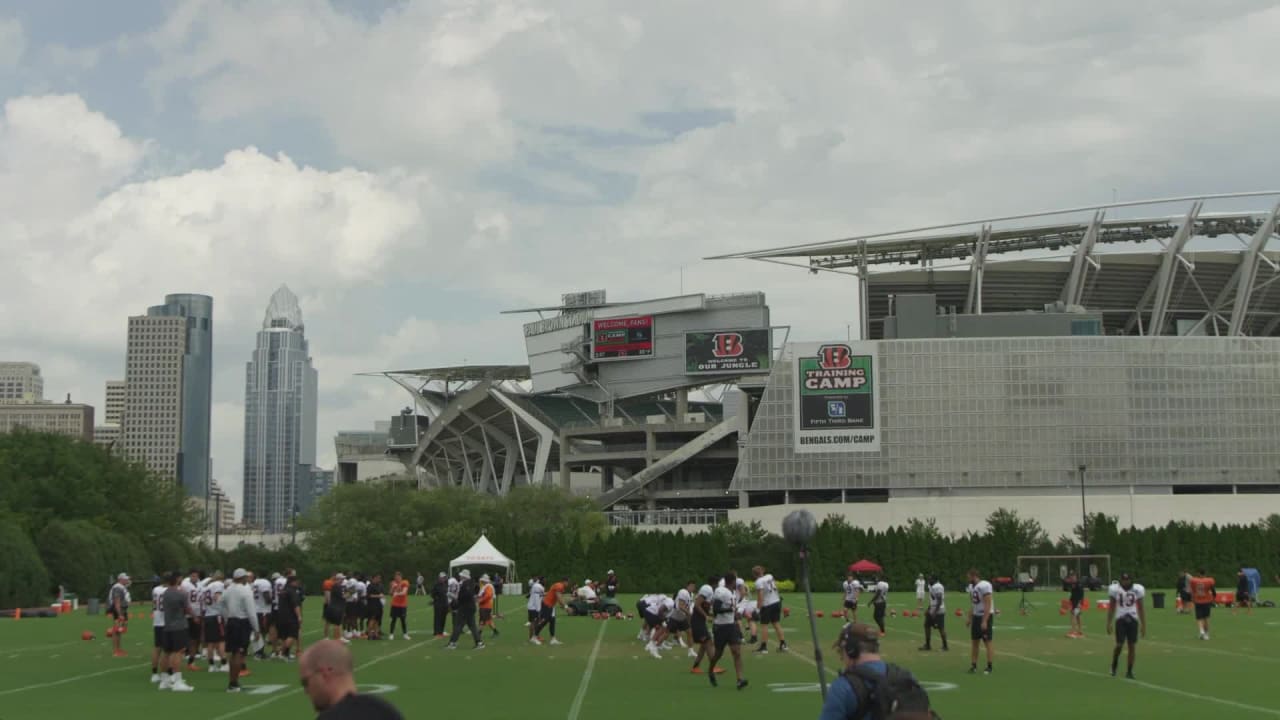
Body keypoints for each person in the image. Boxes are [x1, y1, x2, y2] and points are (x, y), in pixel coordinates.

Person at [817, 623, 934, 720]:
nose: (841, 657)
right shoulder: (907, 677)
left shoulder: (843, 687)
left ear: (850, 650)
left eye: (841, 651)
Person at [300, 639, 404, 719]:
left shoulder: (330, 718)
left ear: (325, 674)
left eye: (305, 682)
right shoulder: (386, 711)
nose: (306, 690)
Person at [706, 572, 748, 690]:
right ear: (733, 581)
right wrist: (730, 609)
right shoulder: (721, 591)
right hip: (720, 627)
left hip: (731, 626)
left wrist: (736, 615)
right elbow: (716, 609)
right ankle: (710, 670)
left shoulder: (732, 593)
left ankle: (740, 679)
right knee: (718, 654)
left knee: (737, 652)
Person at [222, 568, 261, 693]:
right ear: (243, 578)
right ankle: (233, 683)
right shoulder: (245, 590)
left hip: (231, 622)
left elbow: (220, 603)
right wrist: (256, 628)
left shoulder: (228, 589)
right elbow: (251, 612)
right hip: (242, 622)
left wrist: (226, 617)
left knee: (233, 653)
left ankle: (232, 682)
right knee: (239, 653)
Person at [158, 571, 195, 693]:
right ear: (177, 580)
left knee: (166, 653)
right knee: (178, 652)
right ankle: (177, 681)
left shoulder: (165, 593)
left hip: (167, 625)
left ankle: (164, 680)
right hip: (179, 626)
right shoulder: (181, 594)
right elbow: (187, 608)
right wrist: (195, 616)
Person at [1106, 572, 1146, 679]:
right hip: (1120, 619)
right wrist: (1109, 623)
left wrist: (1143, 625)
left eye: (1127, 579)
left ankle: (1129, 671)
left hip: (1133, 619)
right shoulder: (1115, 590)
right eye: (1123, 580)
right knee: (1119, 644)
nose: (1125, 582)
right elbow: (1111, 607)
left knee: (1132, 646)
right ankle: (1114, 664)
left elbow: (1141, 608)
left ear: (1131, 580)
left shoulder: (1138, 589)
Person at [966, 568, 995, 675]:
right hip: (976, 616)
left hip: (984, 615)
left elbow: (988, 603)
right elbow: (973, 604)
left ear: (974, 576)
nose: (968, 579)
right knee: (975, 642)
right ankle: (973, 665)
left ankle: (989, 666)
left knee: (987, 641)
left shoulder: (985, 585)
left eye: (969, 576)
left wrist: (985, 621)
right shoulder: (971, 587)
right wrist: (969, 617)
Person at [448, 569, 485, 650]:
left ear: (464, 576)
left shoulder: (465, 584)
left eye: (461, 575)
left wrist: (454, 597)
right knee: (472, 626)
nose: (460, 576)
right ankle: (479, 643)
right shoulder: (470, 583)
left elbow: (464, 597)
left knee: (458, 625)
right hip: (470, 607)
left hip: (465, 608)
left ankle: (452, 643)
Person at [753, 565, 787, 654]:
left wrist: (757, 609)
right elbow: (775, 587)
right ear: (762, 571)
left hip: (767, 605)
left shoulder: (758, 582)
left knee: (764, 625)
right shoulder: (769, 576)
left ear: (754, 574)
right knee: (776, 623)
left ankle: (764, 647)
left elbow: (760, 596)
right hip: (776, 601)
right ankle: (783, 644)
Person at [201, 571, 227, 672]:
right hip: (217, 616)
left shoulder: (207, 586)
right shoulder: (218, 585)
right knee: (221, 641)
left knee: (210, 643)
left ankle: (211, 665)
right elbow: (218, 597)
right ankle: (224, 663)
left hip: (208, 615)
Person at [534, 576, 568, 646]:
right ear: (565, 581)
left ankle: (552, 639)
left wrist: (563, 605)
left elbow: (558, 597)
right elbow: (559, 597)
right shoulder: (560, 586)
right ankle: (534, 636)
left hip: (550, 605)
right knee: (544, 621)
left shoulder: (559, 585)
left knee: (552, 620)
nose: (568, 584)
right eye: (568, 582)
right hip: (547, 605)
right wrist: (566, 607)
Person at [276, 574, 303, 661]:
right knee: (292, 635)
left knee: (285, 636)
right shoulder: (292, 591)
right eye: (296, 582)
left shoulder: (283, 591)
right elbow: (295, 605)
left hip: (281, 616)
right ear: (293, 582)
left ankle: (286, 654)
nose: (297, 583)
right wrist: (299, 616)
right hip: (290, 617)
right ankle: (281, 653)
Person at [182, 569, 204, 670]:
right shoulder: (185, 585)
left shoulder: (200, 585)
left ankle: (191, 659)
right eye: (193, 576)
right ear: (190, 576)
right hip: (188, 615)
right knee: (188, 637)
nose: (194, 577)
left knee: (196, 638)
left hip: (198, 613)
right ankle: (187, 653)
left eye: (196, 576)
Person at [919, 575, 948, 652]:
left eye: (930, 580)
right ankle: (928, 645)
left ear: (935, 580)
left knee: (941, 628)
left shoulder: (938, 586)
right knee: (926, 625)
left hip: (939, 610)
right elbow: (933, 600)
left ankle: (945, 646)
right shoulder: (932, 586)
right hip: (932, 609)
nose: (929, 581)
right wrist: (928, 609)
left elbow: (939, 601)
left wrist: (934, 612)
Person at [250, 571, 273, 658]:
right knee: (262, 632)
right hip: (263, 610)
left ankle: (258, 651)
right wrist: (273, 601)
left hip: (256, 609)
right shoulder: (264, 582)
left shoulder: (254, 582)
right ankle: (259, 652)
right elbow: (267, 598)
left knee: (258, 631)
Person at [108, 573, 131, 658]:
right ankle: (116, 651)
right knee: (117, 630)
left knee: (121, 630)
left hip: (122, 610)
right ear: (120, 579)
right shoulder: (118, 587)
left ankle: (118, 649)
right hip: (118, 610)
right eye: (126, 579)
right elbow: (117, 602)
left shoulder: (121, 587)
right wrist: (119, 614)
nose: (127, 580)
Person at [1189, 568, 1216, 640]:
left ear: (1199, 574)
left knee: (1199, 618)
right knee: (1206, 618)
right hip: (1207, 601)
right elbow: (1213, 591)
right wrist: (1213, 598)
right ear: (1205, 573)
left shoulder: (1194, 581)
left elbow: (1192, 590)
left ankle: (1201, 631)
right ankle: (1206, 634)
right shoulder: (1209, 580)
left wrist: (1192, 598)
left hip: (1198, 601)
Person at [388, 571, 411, 640]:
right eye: (395, 576)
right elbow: (390, 593)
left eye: (398, 576)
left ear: (401, 577)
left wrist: (397, 593)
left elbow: (404, 592)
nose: (396, 578)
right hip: (395, 604)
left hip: (402, 604)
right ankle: (391, 634)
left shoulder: (405, 582)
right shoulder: (393, 583)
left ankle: (405, 634)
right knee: (393, 619)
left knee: (403, 619)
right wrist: (392, 587)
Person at [1066, 572, 1086, 638]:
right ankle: (1079, 631)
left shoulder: (1079, 584)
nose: (1072, 578)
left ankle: (1074, 631)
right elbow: (1073, 593)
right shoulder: (1072, 584)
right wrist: (1070, 600)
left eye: (1073, 577)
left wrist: (1080, 602)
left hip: (1077, 602)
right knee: (1077, 616)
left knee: (1073, 615)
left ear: (1075, 577)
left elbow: (1081, 594)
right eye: (1071, 577)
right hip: (1074, 602)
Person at [527, 576, 546, 644]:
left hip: (535, 607)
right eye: (543, 580)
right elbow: (542, 592)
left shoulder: (537, 586)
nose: (545, 581)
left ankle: (535, 637)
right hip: (533, 607)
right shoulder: (537, 586)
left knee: (536, 622)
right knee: (533, 623)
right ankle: (532, 638)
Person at [431, 572, 449, 638]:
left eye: (444, 577)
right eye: (442, 577)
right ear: (439, 578)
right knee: (438, 618)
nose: (444, 579)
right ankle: (436, 632)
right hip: (438, 604)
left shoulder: (445, 584)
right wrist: (436, 599)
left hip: (445, 604)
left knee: (443, 618)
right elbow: (432, 594)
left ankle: (441, 632)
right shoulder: (436, 585)